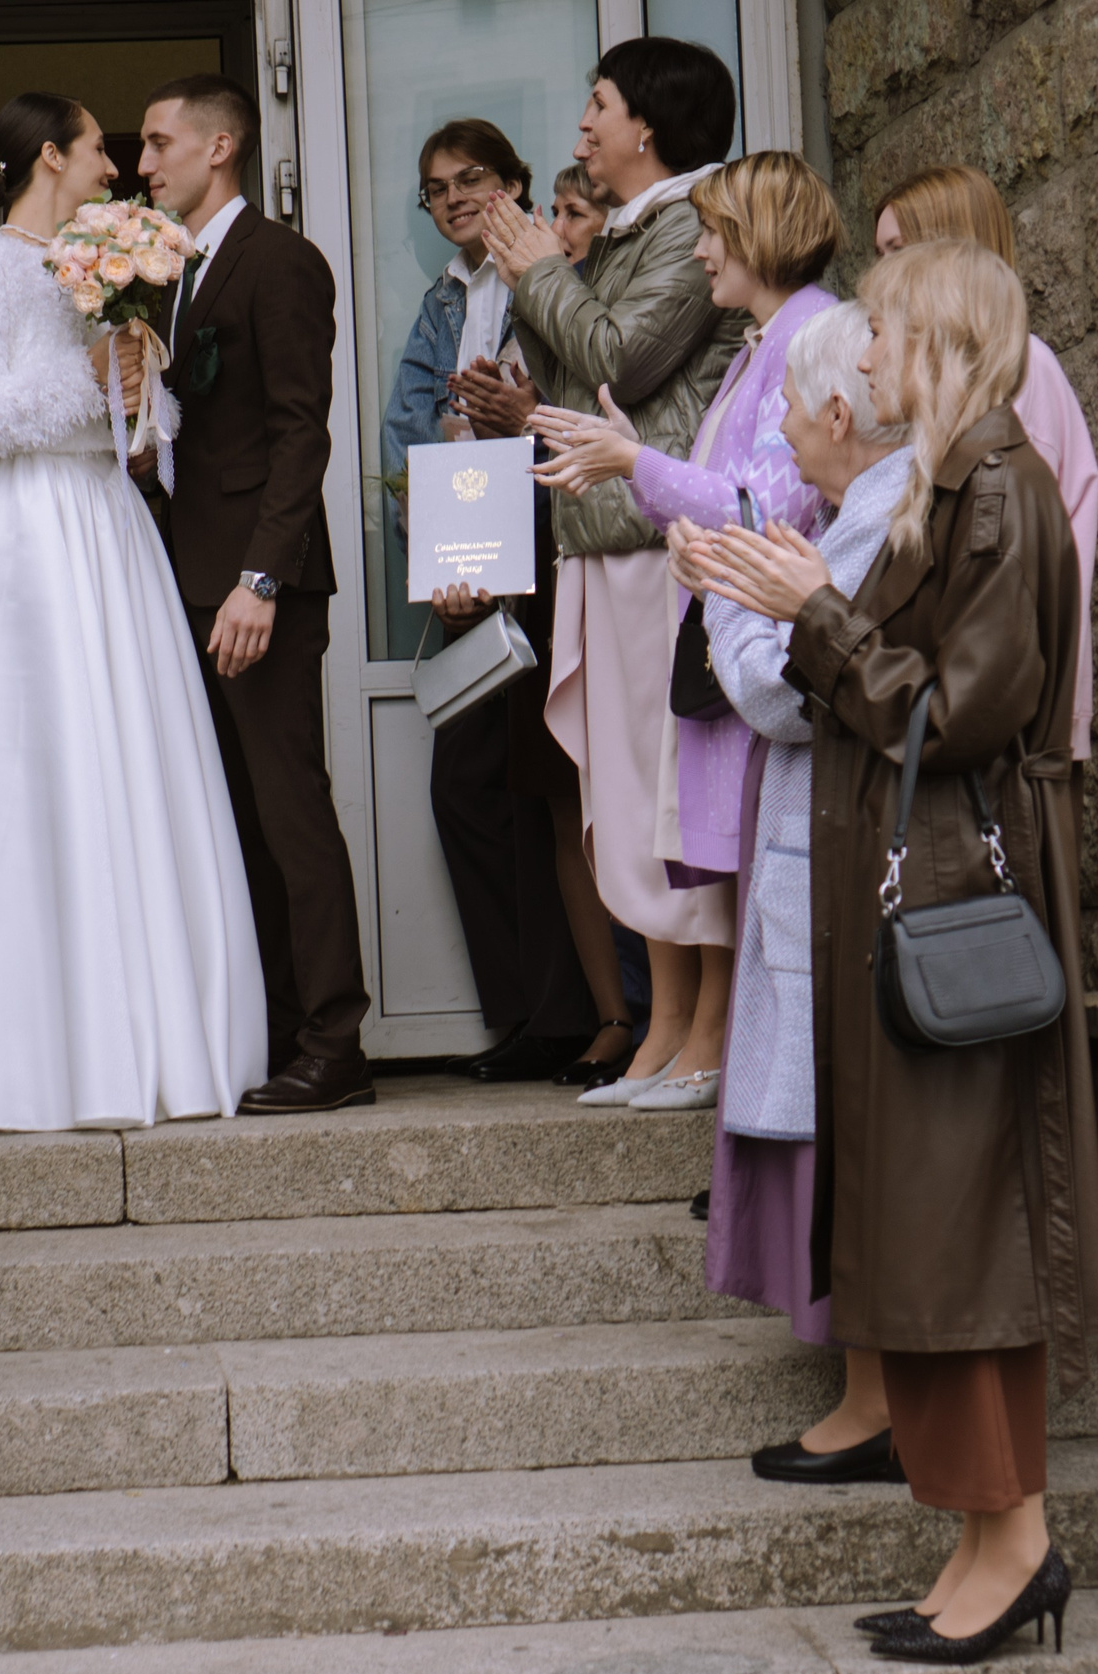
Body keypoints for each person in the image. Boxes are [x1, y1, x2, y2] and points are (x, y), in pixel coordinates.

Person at [689, 238, 1098, 1664]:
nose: (859, 360)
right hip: (915, 884)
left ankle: (1017, 1539)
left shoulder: (998, 488)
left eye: (879, 334)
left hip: (950, 890)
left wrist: (810, 608)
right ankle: (986, 1535)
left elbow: (967, 710)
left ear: (934, 339)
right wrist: (803, 600)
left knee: (964, 1232)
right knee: (936, 1234)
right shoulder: (952, 483)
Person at [0, 93, 264, 1131]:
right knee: (44, 772)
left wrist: (134, 398)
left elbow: (136, 425)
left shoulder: (100, 267)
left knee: (131, 765)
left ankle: (150, 1035)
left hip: (109, 526)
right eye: (96, 148)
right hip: (29, 537)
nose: (114, 166)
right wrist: (83, 380)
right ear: (47, 158)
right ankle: (42, 1050)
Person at [527, 151, 843, 1112]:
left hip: (771, 653)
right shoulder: (764, 338)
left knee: (762, 881)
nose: (702, 251)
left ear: (758, 237)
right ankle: (711, 1051)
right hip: (731, 635)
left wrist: (634, 461)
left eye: (714, 232)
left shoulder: (810, 334)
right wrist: (636, 470)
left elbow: (768, 503)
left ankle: (735, 1063)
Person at [664, 301, 912, 1482]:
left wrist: (719, 588)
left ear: (831, 411)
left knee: (842, 1142)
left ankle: (874, 1402)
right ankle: (865, 1396)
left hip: (840, 860)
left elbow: (778, 693)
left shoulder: (871, 525)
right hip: (821, 854)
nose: (781, 436)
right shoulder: (858, 512)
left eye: (787, 414)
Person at [478, 37, 746, 1113]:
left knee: (676, 792)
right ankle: (662, 1025)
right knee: (630, 795)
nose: (582, 124)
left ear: (649, 125)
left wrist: (540, 271)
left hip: (654, 534)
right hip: (600, 529)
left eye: (598, 104)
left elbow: (617, 363)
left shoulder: (687, 224)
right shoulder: (637, 227)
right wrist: (538, 283)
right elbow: (570, 369)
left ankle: (709, 1030)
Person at [137, 73, 376, 1114]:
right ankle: (275, 1027)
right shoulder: (175, 270)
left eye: (156, 142)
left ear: (219, 144)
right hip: (186, 577)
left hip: (254, 586)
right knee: (232, 815)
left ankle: (335, 1039)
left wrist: (260, 578)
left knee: (290, 811)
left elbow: (298, 431)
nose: (143, 165)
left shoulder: (278, 261)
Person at [383, 120, 602, 1085]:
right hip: (472, 563)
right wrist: (435, 559)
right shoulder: (442, 303)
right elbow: (407, 440)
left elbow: (597, 399)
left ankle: (581, 1016)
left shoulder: (550, 273)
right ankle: (526, 1011)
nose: (456, 196)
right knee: (469, 788)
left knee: (549, 793)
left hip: (557, 552)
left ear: (512, 181)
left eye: (473, 177)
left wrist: (516, 422)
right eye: (436, 188)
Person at [445, 159, 644, 1090]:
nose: (555, 229)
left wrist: (531, 420)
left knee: (621, 793)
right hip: (541, 574)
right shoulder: (530, 308)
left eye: (572, 213)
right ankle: (609, 1013)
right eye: (555, 212)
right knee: (558, 794)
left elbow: (631, 433)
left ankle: (650, 1010)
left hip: (609, 565)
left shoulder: (619, 317)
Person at [874, 164, 1098, 761]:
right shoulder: (943, 382)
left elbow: (1008, 565)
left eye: (898, 250)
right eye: (880, 254)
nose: (884, 274)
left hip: (1012, 727)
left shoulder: (1023, 369)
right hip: (967, 708)